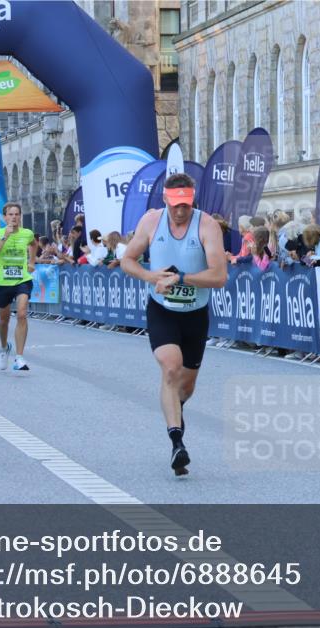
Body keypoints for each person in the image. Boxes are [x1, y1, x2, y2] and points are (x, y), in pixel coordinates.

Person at [120, 173, 227, 475]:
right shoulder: (151, 221)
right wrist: (151, 277)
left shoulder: (206, 225)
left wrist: (181, 278)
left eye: (186, 205)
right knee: (170, 368)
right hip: (162, 310)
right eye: (176, 204)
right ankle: (176, 441)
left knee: (185, 386)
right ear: (165, 199)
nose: (180, 211)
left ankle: (175, 414)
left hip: (195, 313)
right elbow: (128, 260)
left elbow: (219, 277)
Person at [0, 202, 36, 372]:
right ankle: (3, 348)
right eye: (10, 214)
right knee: (4, 320)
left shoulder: (27, 233)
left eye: (17, 214)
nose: (14, 217)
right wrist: (4, 237)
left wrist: (31, 261)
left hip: (22, 280)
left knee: (22, 314)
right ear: (5, 217)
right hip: (3, 283)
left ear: (20, 216)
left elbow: (33, 243)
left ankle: (19, 357)